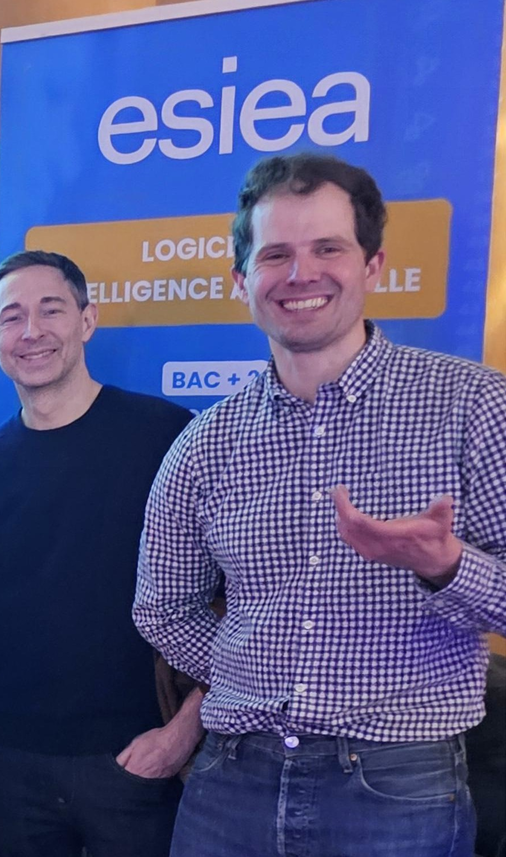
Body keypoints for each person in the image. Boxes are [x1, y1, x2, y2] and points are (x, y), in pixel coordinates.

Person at [135, 152, 506, 856]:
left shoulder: (474, 406)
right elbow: (162, 607)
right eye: (275, 254)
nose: (301, 273)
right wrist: (251, 665)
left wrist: (448, 567)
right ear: (241, 281)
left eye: (328, 248)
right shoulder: (206, 442)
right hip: (231, 779)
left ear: (374, 265)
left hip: (398, 785)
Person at [0, 252, 198, 857]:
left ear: (87, 320)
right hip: (11, 771)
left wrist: (183, 733)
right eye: (12, 317)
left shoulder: (167, 437)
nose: (32, 331)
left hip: (139, 764)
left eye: (51, 310)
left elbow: (231, 598)